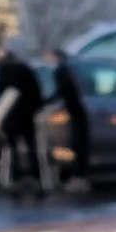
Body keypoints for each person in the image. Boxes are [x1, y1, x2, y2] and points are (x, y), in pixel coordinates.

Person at [0, 40, 46, 199]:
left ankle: (15, 179)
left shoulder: (2, 72)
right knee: (32, 148)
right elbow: (36, 93)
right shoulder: (26, 71)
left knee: (12, 149)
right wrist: (35, 108)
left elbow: (0, 94)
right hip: (26, 116)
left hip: (10, 117)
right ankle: (37, 179)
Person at [47, 47, 91, 189]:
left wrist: (46, 102)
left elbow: (61, 91)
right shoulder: (68, 70)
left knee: (77, 143)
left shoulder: (61, 71)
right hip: (76, 111)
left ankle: (78, 175)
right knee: (78, 143)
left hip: (74, 111)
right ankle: (79, 174)